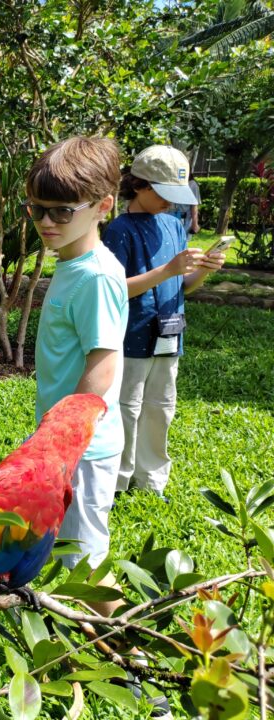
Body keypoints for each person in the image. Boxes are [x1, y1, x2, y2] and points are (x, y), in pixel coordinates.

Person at [26, 136, 127, 581]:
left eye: (62, 212)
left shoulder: (95, 276)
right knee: (60, 549)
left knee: (85, 565)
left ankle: (127, 627)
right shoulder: (76, 263)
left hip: (83, 449)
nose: (46, 221)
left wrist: (62, 445)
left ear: (103, 206)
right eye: (37, 209)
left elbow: (102, 367)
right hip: (65, 443)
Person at [103, 146, 225, 498]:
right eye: (163, 194)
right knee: (127, 408)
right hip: (131, 337)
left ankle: (150, 481)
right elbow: (115, 290)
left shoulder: (174, 225)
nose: (170, 203)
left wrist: (204, 270)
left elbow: (183, 285)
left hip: (170, 334)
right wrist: (168, 270)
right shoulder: (119, 230)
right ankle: (117, 481)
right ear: (139, 185)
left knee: (161, 408)